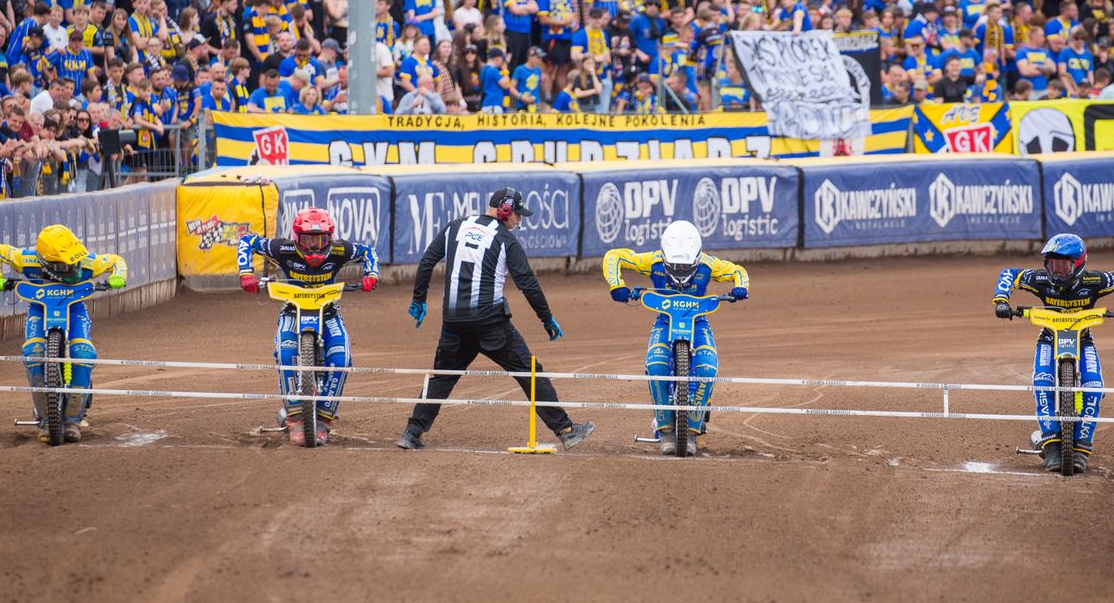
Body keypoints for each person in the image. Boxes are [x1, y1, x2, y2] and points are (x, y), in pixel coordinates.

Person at [396, 187, 595, 452]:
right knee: (529, 371)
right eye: (518, 214)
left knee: (442, 377)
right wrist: (547, 319)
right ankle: (566, 430)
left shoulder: (455, 226)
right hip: (491, 324)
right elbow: (528, 284)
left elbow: (427, 262)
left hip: (454, 322)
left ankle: (412, 432)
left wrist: (419, 299)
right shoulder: (505, 240)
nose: (519, 220)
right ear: (505, 209)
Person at [992, 234, 1114, 473]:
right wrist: (1001, 300)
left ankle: (1081, 449)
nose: (1057, 271)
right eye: (1052, 264)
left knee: (1093, 387)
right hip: (1049, 339)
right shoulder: (1040, 279)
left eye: (1063, 265)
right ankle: (1051, 446)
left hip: (1083, 340)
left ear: (1079, 264)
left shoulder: (1094, 280)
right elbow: (1010, 273)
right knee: (1043, 384)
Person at [602, 220, 748, 456]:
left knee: (708, 368)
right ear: (665, 256)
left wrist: (741, 287)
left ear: (698, 258)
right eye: (675, 266)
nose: (680, 272)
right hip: (665, 320)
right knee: (655, 363)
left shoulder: (710, 265)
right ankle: (665, 429)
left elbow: (738, 271)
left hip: (698, 321)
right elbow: (614, 256)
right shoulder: (653, 260)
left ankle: (691, 431)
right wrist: (616, 285)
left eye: (686, 267)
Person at [237, 207, 380, 447]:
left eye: (320, 239)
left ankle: (323, 420)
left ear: (330, 238)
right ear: (296, 237)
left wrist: (372, 274)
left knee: (342, 357)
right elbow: (247, 241)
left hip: (329, 310)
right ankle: (295, 419)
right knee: (285, 352)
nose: (314, 246)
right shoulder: (282, 248)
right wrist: (245, 273)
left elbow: (368, 252)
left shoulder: (340, 250)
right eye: (308, 240)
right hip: (292, 309)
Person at [0, 224, 128, 443]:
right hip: (40, 309)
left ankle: (73, 419)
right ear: (45, 262)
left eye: (75, 262)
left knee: (83, 354)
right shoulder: (28, 260)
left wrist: (117, 277)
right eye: (65, 266)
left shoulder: (88, 262)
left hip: (74, 309)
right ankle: (44, 419)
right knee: (33, 353)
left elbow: (116, 261)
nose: (74, 269)